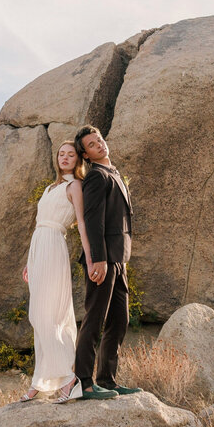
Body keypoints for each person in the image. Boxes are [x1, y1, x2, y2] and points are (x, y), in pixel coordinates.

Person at [19, 141, 91, 404]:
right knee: (38, 316)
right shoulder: (51, 187)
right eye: (61, 154)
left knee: (47, 316)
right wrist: (30, 261)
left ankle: (67, 378)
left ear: (78, 160)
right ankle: (41, 380)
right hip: (39, 248)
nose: (64, 157)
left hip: (54, 246)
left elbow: (81, 223)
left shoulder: (75, 186)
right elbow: (40, 225)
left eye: (70, 154)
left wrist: (91, 259)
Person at [72, 124, 140, 400]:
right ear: (86, 155)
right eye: (91, 144)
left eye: (99, 139)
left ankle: (107, 380)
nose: (99, 144)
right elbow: (93, 221)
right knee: (94, 319)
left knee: (119, 319)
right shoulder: (96, 177)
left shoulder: (114, 173)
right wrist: (96, 259)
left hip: (119, 258)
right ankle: (84, 382)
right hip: (104, 260)